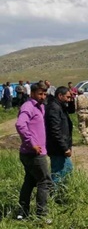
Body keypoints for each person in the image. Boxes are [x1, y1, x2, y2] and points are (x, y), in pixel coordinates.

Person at [15, 83, 52, 220]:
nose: (42, 97)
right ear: (32, 94)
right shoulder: (28, 106)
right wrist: (32, 143)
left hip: (34, 151)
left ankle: (22, 212)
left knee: (30, 181)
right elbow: (20, 124)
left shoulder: (40, 106)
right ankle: (42, 215)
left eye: (44, 94)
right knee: (44, 181)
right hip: (34, 153)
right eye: (40, 94)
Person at [45, 86, 74, 185]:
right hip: (57, 148)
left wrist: (72, 99)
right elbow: (55, 131)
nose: (69, 99)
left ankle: (62, 191)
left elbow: (71, 110)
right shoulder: (54, 108)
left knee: (67, 170)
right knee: (58, 173)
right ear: (60, 95)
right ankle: (54, 192)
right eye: (67, 97)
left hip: (61, 147)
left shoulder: (60, 105)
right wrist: (65, 148)